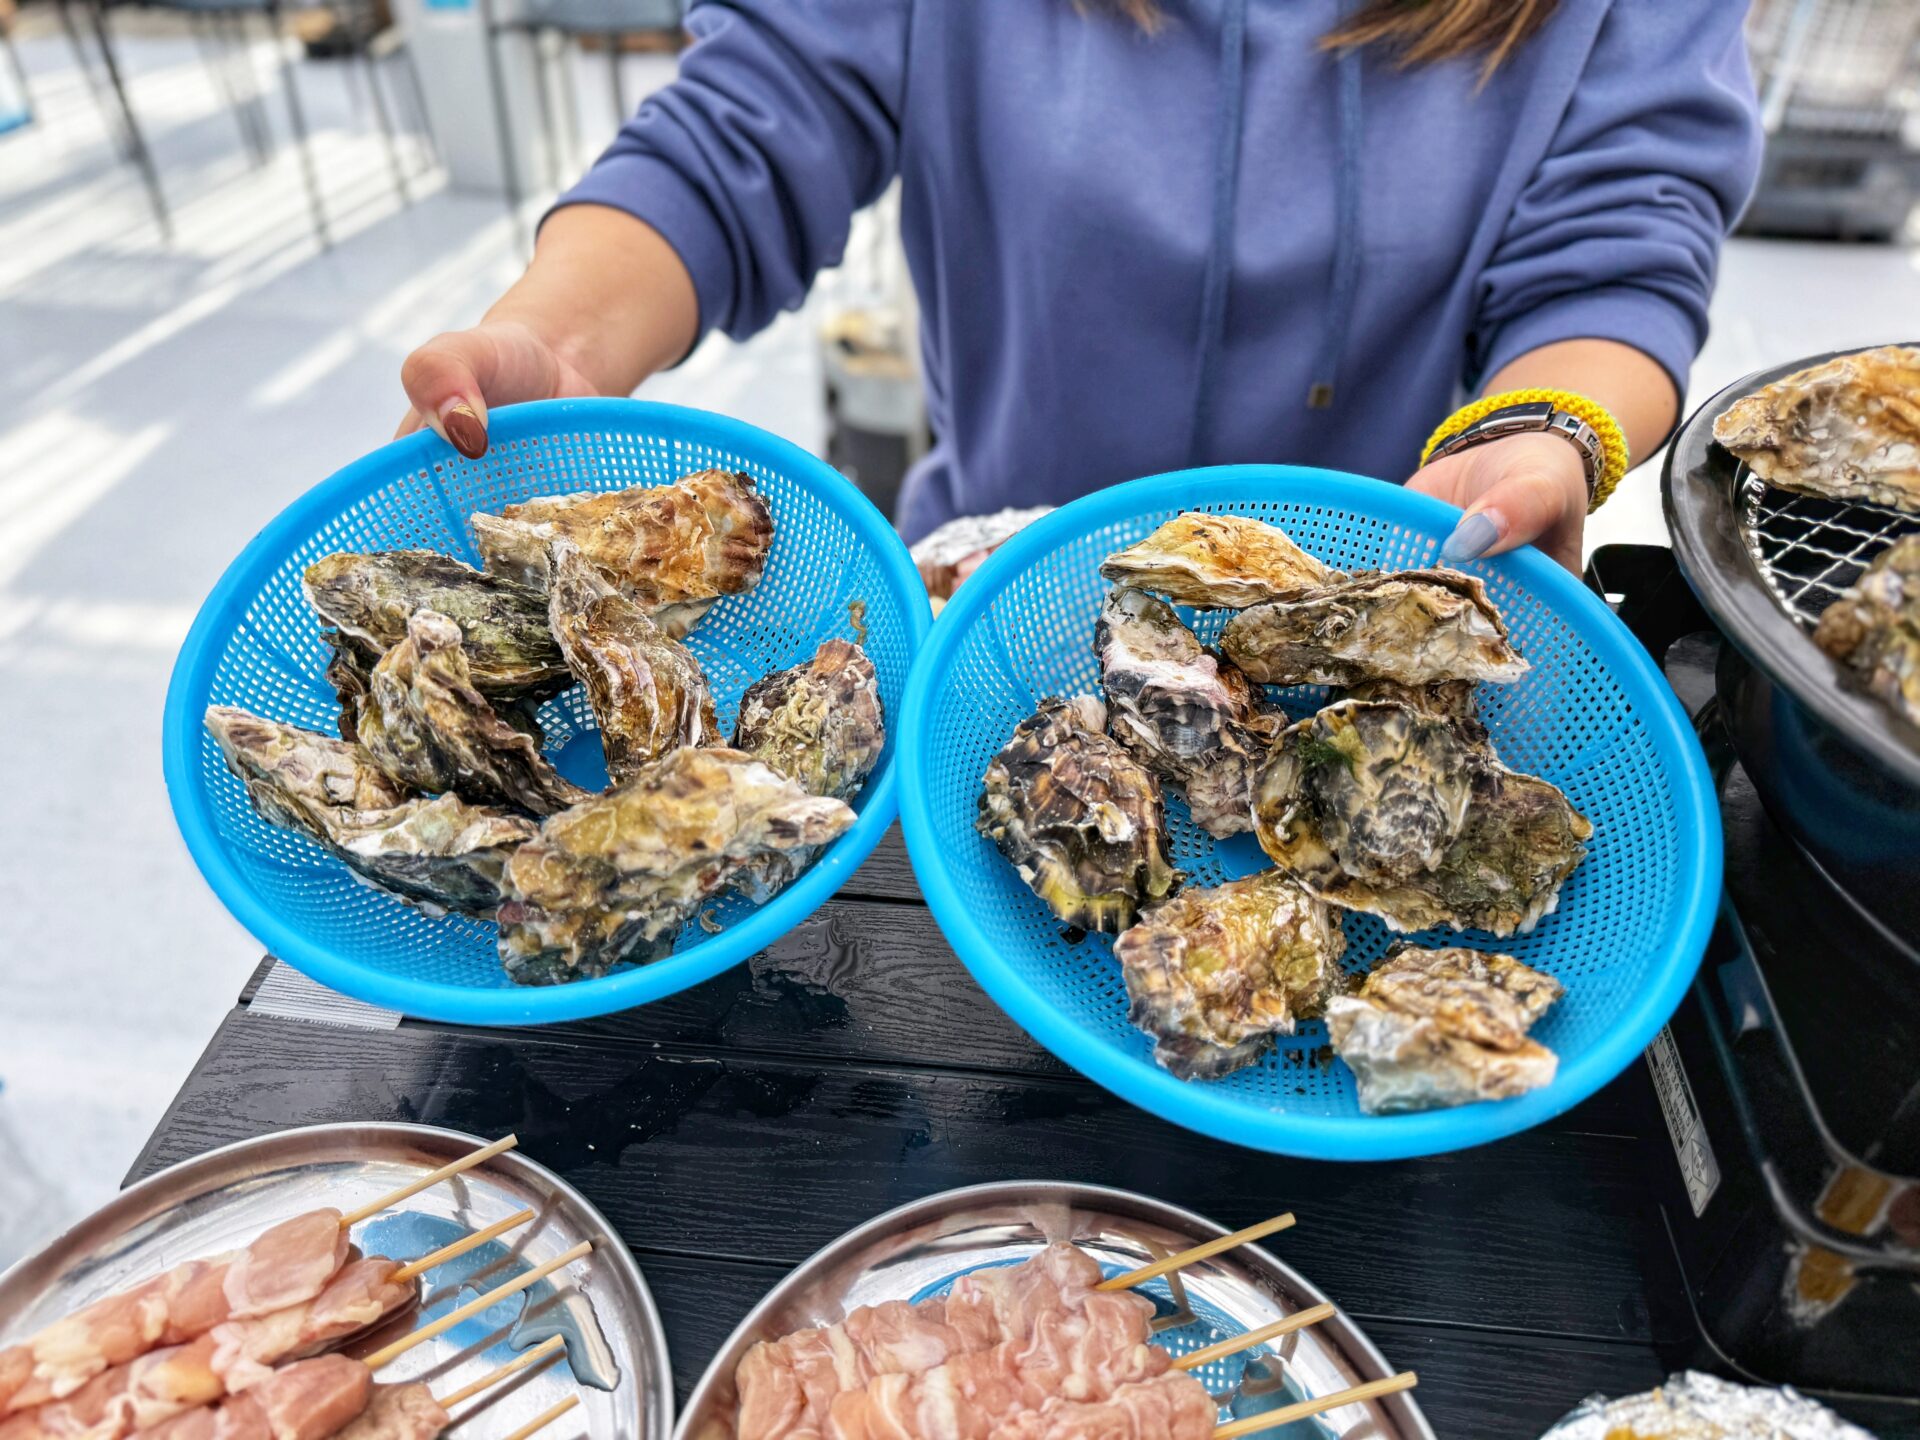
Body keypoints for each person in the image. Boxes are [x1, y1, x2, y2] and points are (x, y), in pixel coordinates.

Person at [397, 0, 1761, 574]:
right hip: (981, 593)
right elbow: (749, 125)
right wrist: (551, 342)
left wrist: (1540, 439)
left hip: (1370, 604)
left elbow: (1621, 241)